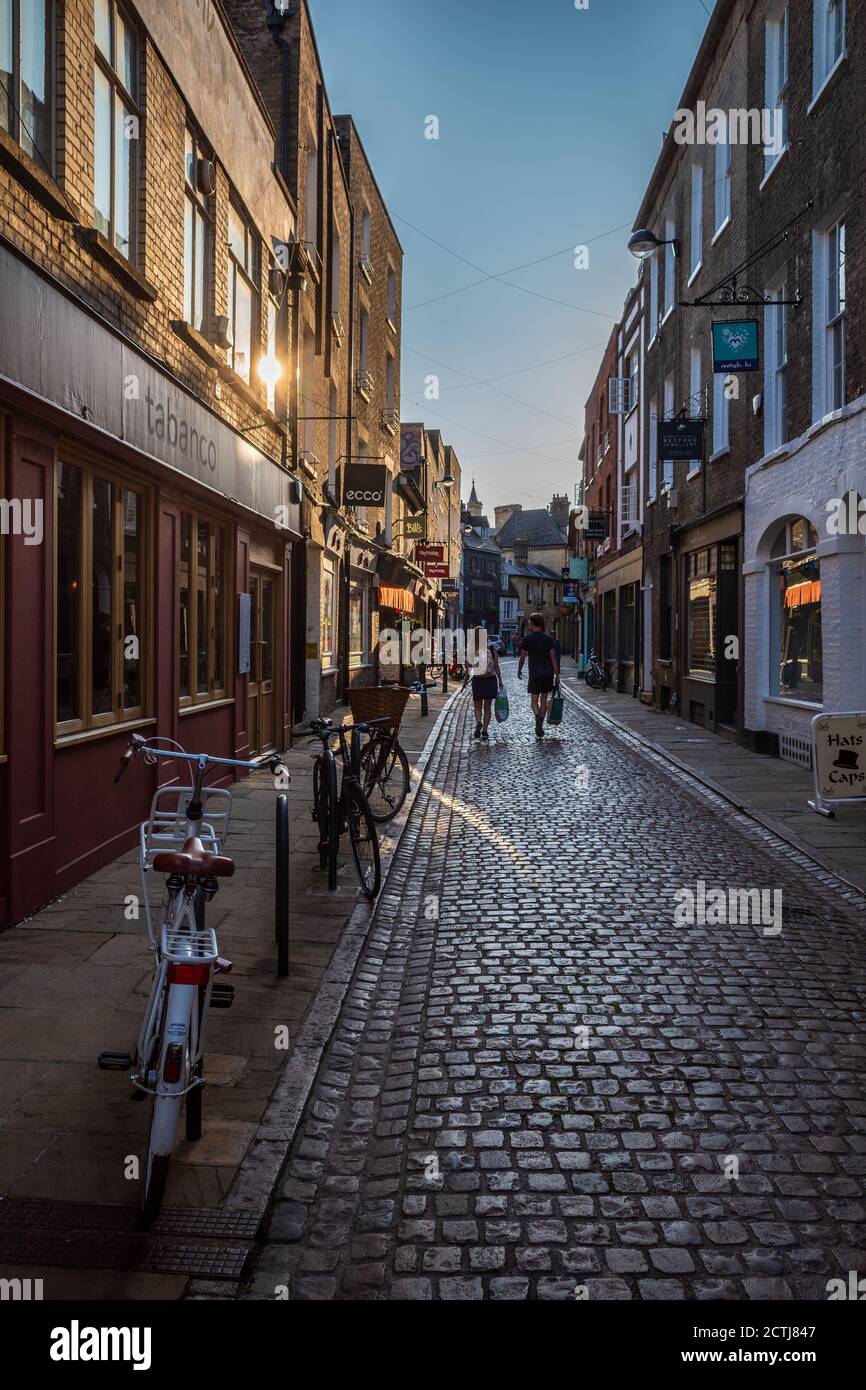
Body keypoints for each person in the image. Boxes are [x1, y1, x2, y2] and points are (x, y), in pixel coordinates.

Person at [518, 613, 560, 738]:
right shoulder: (548, 639)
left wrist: (519, 670)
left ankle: (537, 718)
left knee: (534, 701)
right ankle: (540, 724)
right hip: (547, 674)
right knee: (544, 701)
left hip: (535, 674)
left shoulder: (528, 639)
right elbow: (553, 657)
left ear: (532, 623)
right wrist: (557, 674)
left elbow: (522, 657)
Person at [464, 627, 502, 742]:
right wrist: (500, 680)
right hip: (490, 680)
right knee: (487, 707)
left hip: (478, 680)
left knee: (477, 706)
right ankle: (485, 731)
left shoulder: (471, 648)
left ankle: (478, 722)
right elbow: (496, 666)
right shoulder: (491, 647)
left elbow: (468, 667)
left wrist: (465, 681)